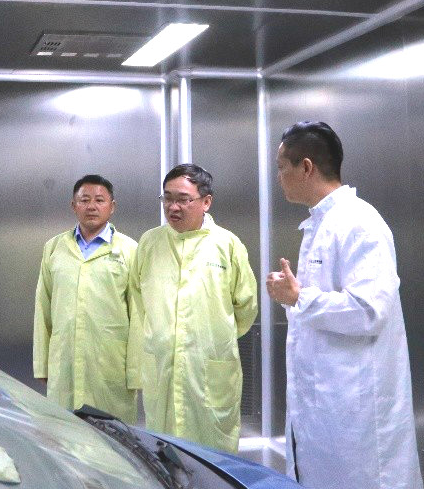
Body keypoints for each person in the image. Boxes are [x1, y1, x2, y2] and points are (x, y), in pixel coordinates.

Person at [265, 121, 424, 489]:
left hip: (354, 413)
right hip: (326, 409)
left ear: (306, 167)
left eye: (281, 167)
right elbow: (321, 309)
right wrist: (295, 297)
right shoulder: (321, 224)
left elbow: (369, 310)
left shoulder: (360, 222)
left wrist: (300, 297)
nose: (278, 177)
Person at [131, 163, 257, 452]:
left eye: (183, 199)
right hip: (162, 366)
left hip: (209, 369)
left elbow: (246, 306)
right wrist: (165, 335)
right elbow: (140, 298)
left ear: (206, 202)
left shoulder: (227, 245)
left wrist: (209, 338)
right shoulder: (150, 243)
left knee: (213, 455)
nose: (173, 207)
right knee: (164, 452)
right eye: (167, 198)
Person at [32, 175, 139, 422]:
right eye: (85, 200)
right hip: (64, 360)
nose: (92, 206)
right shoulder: (54, 248)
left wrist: (136, 371)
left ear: (112, 206)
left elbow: (139, 315)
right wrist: (42, 363)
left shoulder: (130, 250)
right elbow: (43, 307)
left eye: (99, 200)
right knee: (64, 431)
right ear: (74, 205)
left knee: (113, 433)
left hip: (111, 363)